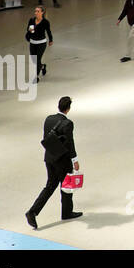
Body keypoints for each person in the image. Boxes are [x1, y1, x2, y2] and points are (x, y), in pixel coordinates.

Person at [25, 96, 82, 229]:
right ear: (68, 108)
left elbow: (46, 137)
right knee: (66, 187)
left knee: (50, 186)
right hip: (63, 161)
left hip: (49, 158)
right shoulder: (68, 123)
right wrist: (75, 160)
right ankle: (67, 212)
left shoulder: (48, 119)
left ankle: (32, 212)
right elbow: (70, 144)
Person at [25, 6, 53, 84]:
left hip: (41, 43)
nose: (35, 13)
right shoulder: (31, 20)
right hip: (32, 43)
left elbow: (48, 31)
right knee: (34, 60)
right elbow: (29, 29)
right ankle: (42, 66)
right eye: (35, 11)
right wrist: (30, 31)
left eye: (37, 11)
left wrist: (51, 40)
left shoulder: (45, 22)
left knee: (37, 60)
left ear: (42, 12)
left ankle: (35, 77)